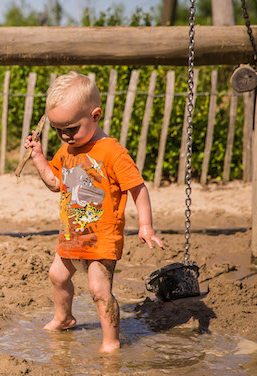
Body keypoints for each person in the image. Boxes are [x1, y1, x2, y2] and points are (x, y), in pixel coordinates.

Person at [24, 71, 164, 353]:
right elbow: (55, 184)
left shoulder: (112, 152)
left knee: (99, 290)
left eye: (72, 128)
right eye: (58, 130)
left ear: (96, 115)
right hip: (72, 233)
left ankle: (111, 342)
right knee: (57, 276)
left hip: (101, 238)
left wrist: (146, 225)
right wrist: (39, 157)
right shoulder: (66, 151)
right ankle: (64, 318)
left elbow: (138, 187)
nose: (65, 135)